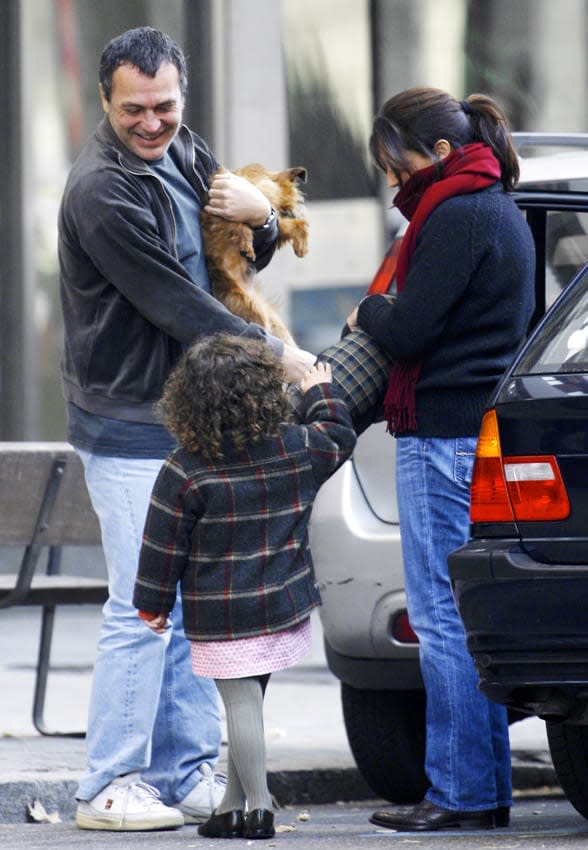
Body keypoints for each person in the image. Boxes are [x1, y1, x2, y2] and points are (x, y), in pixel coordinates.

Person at [58, 26, 315, 832]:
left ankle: (189, 771)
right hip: (131, 422)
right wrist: (283, 357)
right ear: (105, 101)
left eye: (164, 105)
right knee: (143, 609)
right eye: (134, 109)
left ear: (181, 96)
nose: (151, 122)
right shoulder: (101, 189)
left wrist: (264, 216)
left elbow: (232, 261)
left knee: (191, 607)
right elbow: (178, 301)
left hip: (188, 417)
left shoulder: (187, 149)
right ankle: (108, 784)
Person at [344, 87, 536, 831]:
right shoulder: (500, 209)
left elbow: (411, 331)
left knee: (442, 619)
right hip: (471, 435)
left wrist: (371, 313)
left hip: (442, 438)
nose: (397, 182)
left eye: (399, 165)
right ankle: (479, 791)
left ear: (442, 154)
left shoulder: (455, 215)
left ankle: (460, 794)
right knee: (464, 617)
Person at [133, 334, 356, 840]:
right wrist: (320, 391)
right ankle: (230, 806)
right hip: (280, 605)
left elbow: (161, 547)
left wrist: (152, 604)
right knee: (250, 701)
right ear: (263, 390)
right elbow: (338, 435)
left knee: (240, 706)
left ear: (188, 399)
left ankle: (259, 809)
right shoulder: (296, 447)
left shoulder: (184, 469)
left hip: (224, 615)